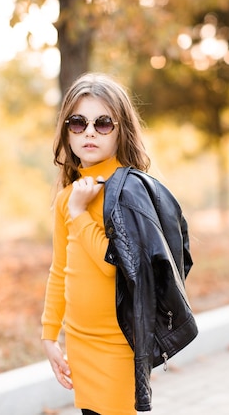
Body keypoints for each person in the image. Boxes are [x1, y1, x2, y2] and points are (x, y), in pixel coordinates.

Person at [41, 73, 196, 415]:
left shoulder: (126, 192)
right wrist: (50, 334)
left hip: (118, 342)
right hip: (80, 341)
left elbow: (118, 266)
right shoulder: (68, 197)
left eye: (103, 123)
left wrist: (81, 215)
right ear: (67, 132)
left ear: (121, 130)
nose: (90, 132)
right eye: (78, 123)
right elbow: (60, 270)